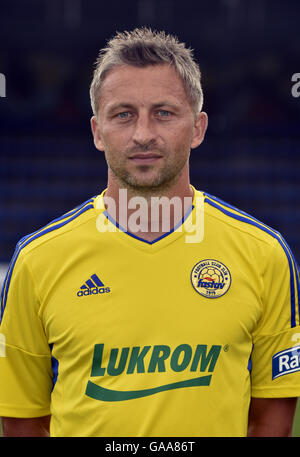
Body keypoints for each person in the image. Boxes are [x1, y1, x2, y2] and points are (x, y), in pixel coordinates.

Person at [0, 27, 299, 438]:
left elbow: (272, 416)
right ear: (96, 132)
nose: (143, 134)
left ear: (197, 128)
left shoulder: (265, 254)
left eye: (164, 112)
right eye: (123, 114)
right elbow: (22, 420)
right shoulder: (36, 260)